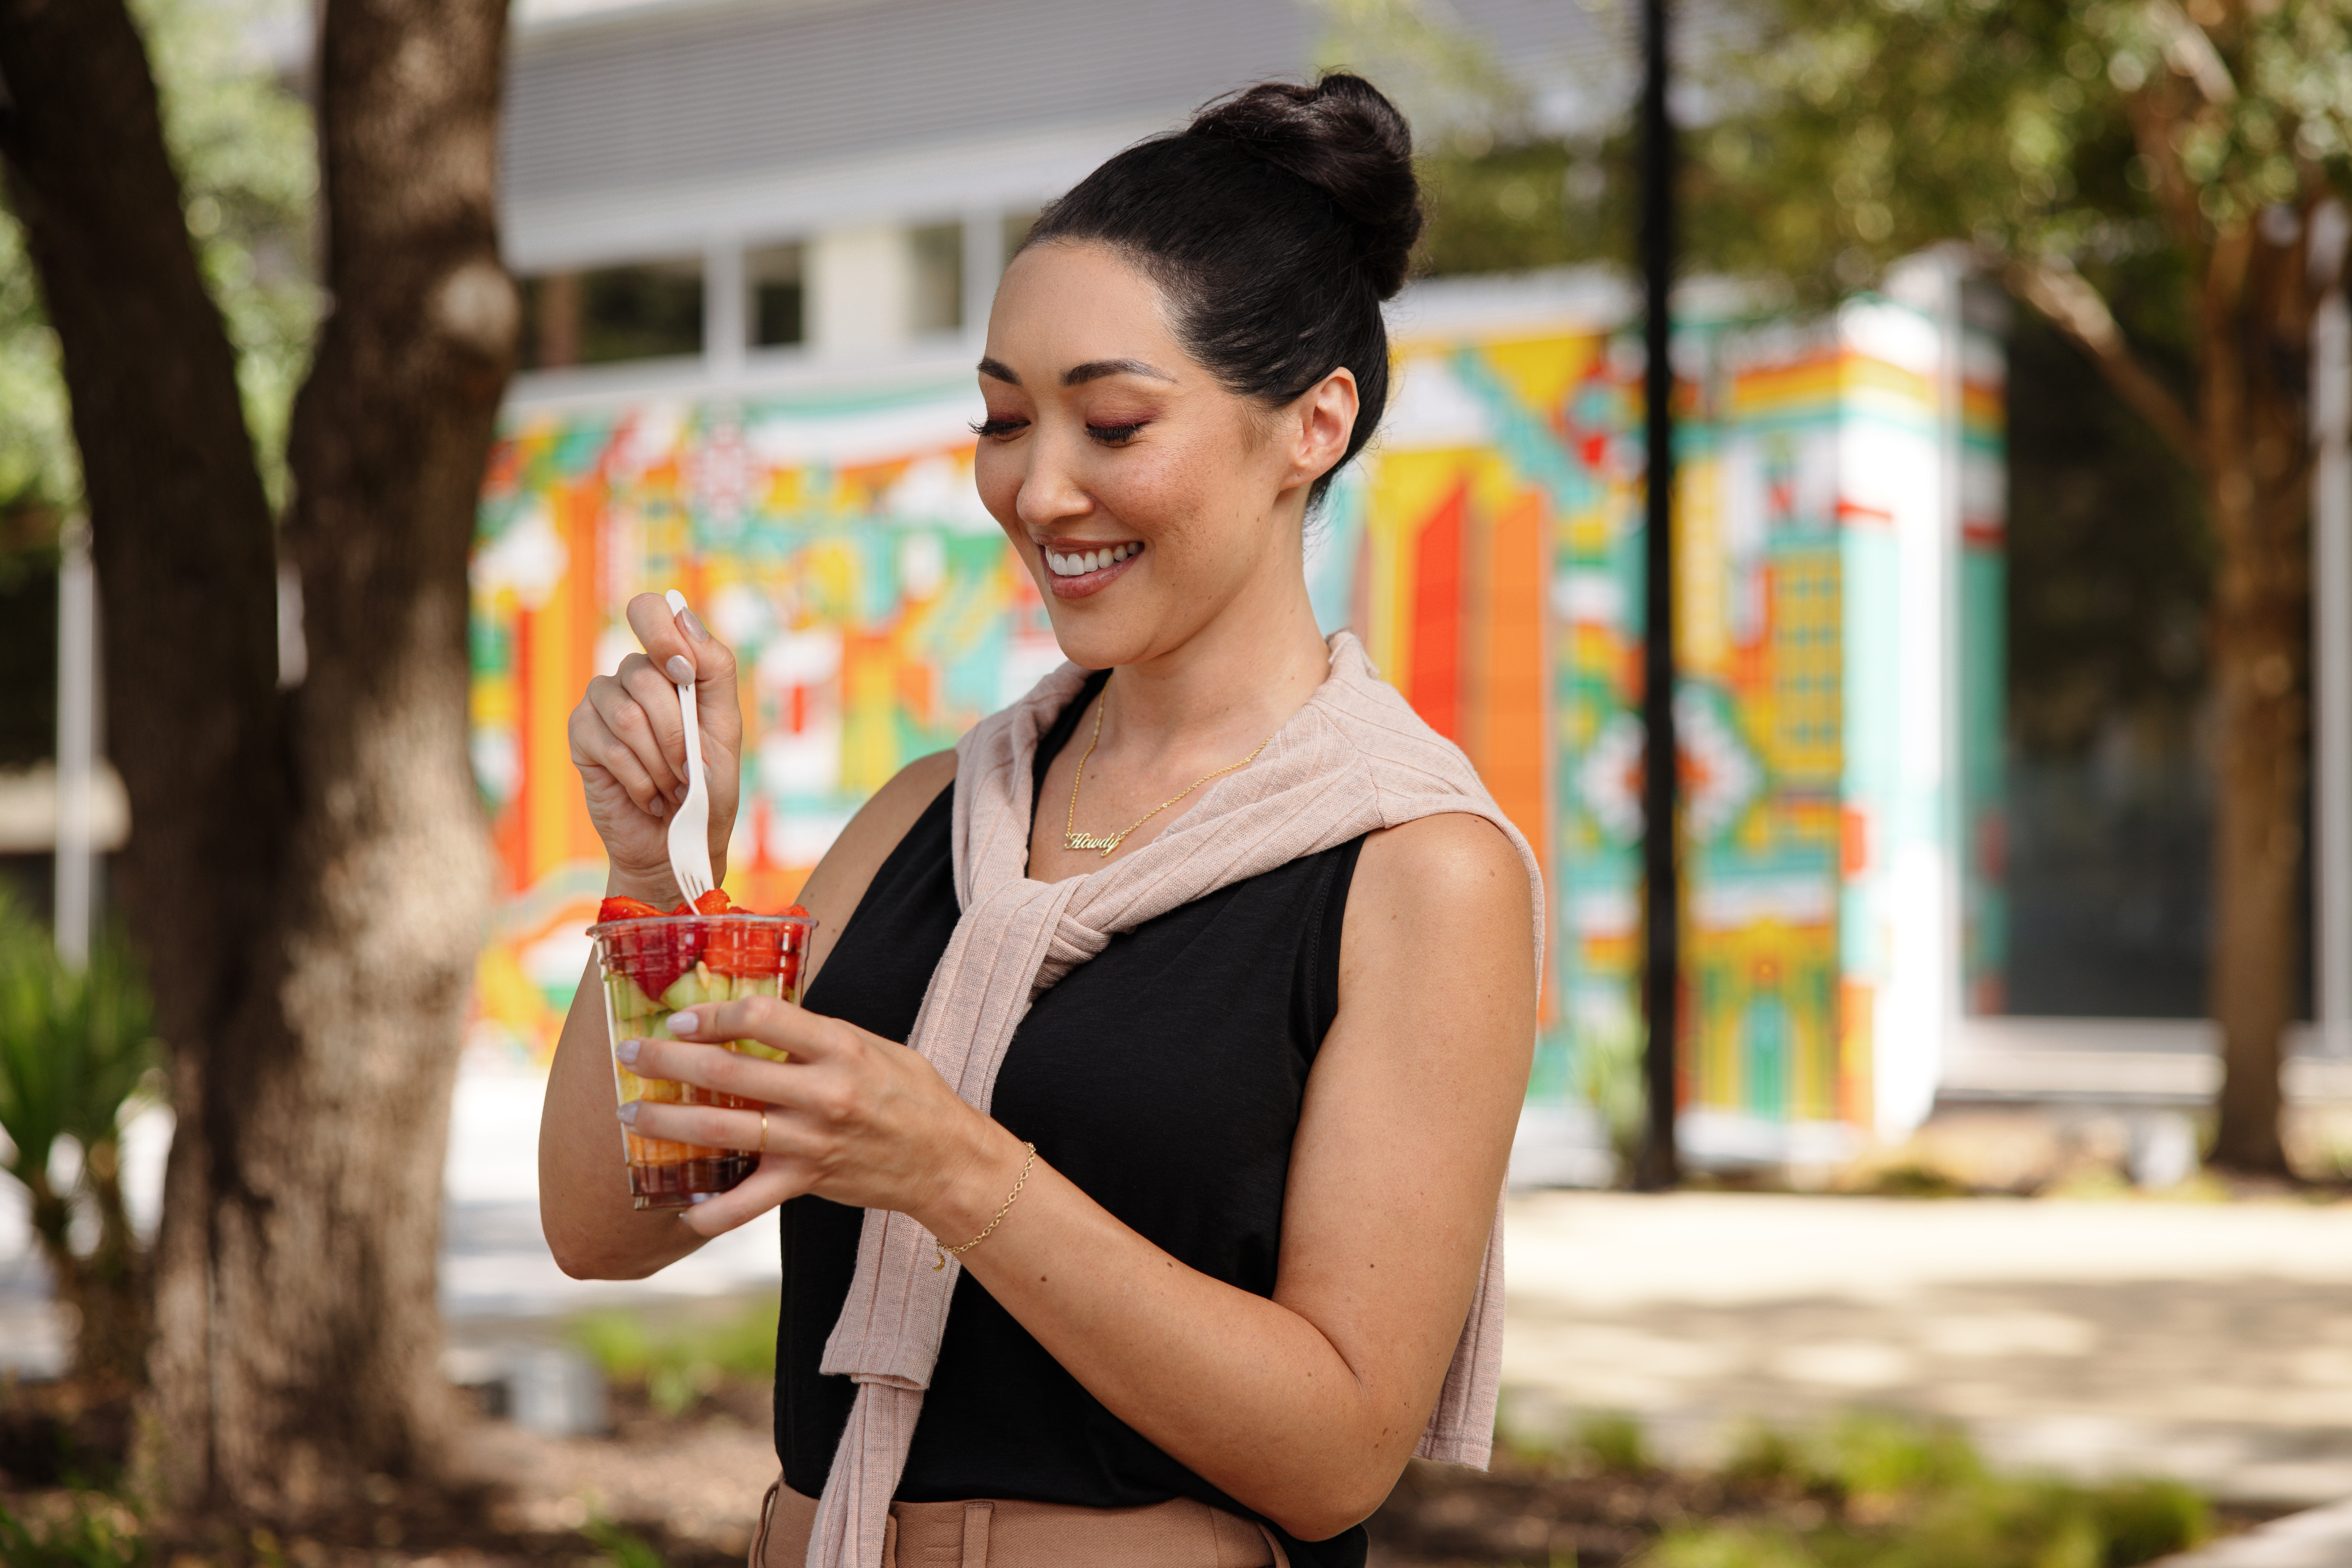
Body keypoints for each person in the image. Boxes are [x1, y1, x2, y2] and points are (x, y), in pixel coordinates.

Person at [540, 73, 1540, 1568]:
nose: (1038, 485)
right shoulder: (927, 817)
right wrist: (658, 874)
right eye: (1003, 419)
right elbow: (607, 1227)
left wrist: (953, 1167)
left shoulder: (1416, 868)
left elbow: (1337, 1452)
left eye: (1113, 420)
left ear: (1312, 424)